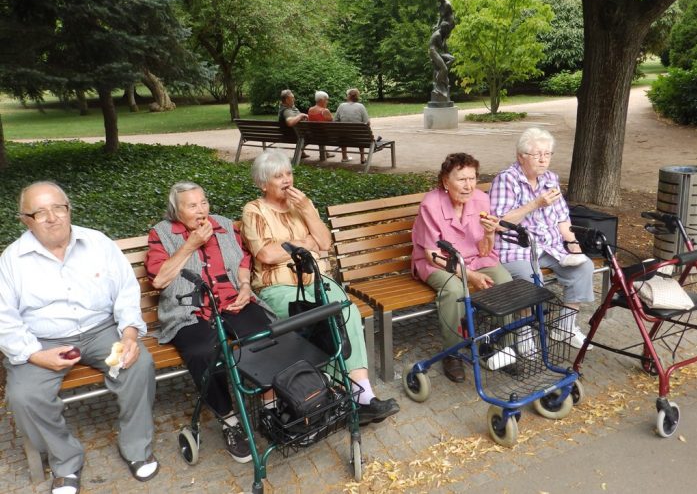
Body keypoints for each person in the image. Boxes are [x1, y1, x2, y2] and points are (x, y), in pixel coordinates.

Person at [0, 181, 159, 494]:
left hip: (101, 331)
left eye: (58, 208)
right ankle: (65, 462)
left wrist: (129, 333)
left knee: (137, 366)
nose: (52, 218)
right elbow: (4, 318)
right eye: (40, 212)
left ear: (69, 209)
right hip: (43, 341)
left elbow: (126, 291)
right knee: (24, 396)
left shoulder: (98, 243)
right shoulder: (12, 260)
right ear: (26, 220)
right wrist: (35, 355)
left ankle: (136, 448)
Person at [240, 150, 399, 426]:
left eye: (288, 173)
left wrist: (306, 211)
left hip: (317, 282)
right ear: (263, 184)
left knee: (346, 311)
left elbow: (324, 242)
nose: (287, 180)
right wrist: (305, 243)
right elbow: (266, 254)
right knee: (328, 316)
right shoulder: (254, 210)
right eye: (278, 176)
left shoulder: (302, 205)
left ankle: (364, 395)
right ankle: (346, 394)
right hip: (279, 287)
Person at [145, 181, 276, 464]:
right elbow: (160, 280)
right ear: (176, 211)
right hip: (188, 309)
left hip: (232, 300)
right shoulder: (162, 234)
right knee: (204, 352)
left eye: (203, 202)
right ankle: (229, 420)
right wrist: (190, 245)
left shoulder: (224, 225)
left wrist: (244, 287)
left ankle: (270, 407)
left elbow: (243, 260)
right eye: (192, 206)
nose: (201, 210)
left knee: (262, 334)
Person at [412, 154, 522, 383]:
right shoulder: (431, 204)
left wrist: (489, 233)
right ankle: (452, 353)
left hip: (475, 259)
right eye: (461, 179)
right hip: (438, 263)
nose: (468, 185)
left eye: (472, 179)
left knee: (504, 280)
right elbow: (432, 254)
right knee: (454, 291)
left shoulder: (481, 199)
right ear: (445, 181)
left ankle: (504, 347)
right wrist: (469, 276)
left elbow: (484, 251)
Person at [490, 127, 594, 349]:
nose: (543, 160)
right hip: (516, 248)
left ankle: (565, 327)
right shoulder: (506, 180)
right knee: (530, 278)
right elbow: (499, 223)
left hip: (550, 246)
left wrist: (573, 243)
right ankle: (524, 334)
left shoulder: (550, 179)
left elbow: (562, 217)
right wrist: (536, 204)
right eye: (537, 154)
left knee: (583, 266)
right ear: (521, 156)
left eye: (547, 154)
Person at [334, 88, 369, 163]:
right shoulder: (361, 106)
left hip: (344, 137)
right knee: (361, 132)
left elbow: (335, 120)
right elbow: (367, 122)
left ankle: (344, 157)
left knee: (342, 132)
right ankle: (362, 158)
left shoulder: (341, 106)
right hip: (358, 137)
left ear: (348, 96)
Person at [306, 90, 335, 159]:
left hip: (313, 135)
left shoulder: (310, 109)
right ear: (322, 100)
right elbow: (333, 122)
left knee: (319, 131)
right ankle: (325, 153)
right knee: (322, 131)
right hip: (326, 136)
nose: (327, 102)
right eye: (326, 100)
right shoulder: (325, 111)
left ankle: (325, 152)